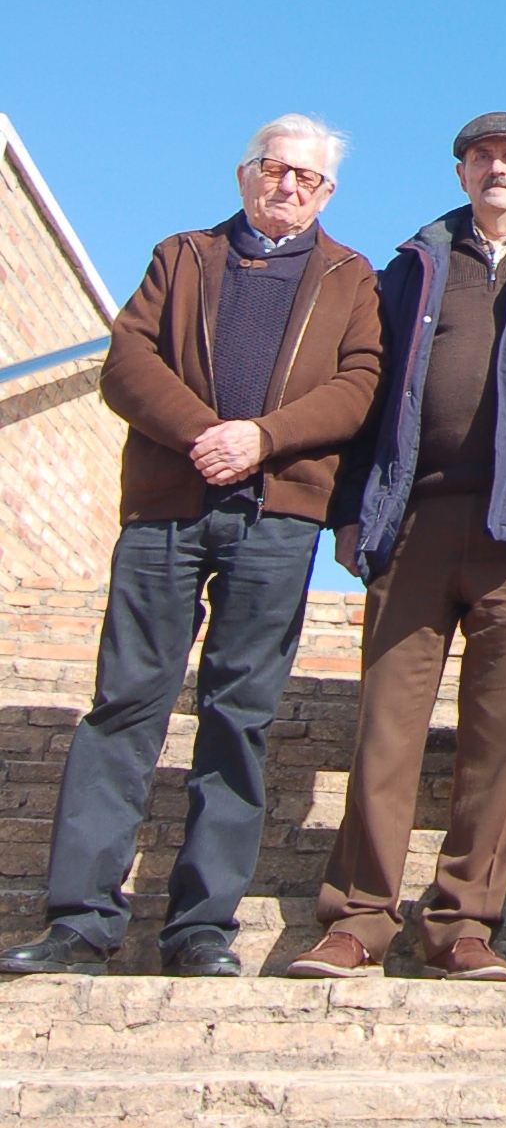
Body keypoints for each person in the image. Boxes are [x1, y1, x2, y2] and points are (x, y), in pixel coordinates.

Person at [1, 119, 383, 980]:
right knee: (124, 705)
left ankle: (201, 926)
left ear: (327, 193)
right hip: (167, 510)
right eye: (275, 169)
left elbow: (359, 386)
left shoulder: (350, 276)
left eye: (308, 178)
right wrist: (205, 434)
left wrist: (262, 438)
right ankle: (81, 920)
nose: (289, 187)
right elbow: (127, 361)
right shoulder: (182, 254)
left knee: (238, 717)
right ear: (246, 172)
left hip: (276, 518)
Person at [289, 113, 506, 981]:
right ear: (460, 173)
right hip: (416, 521)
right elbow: (363, 391)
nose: (499, 168)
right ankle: (359, 918)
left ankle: (462, 921)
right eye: (483, 156)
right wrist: (350, 509)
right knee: (386, 725)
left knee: (501, 734)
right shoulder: (411, 265)